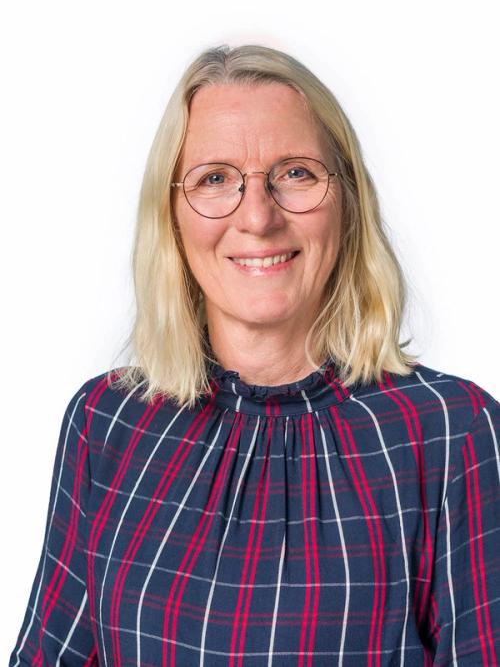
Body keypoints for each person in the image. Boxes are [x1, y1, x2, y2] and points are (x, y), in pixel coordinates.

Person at [10, 44, 500, 667]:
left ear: (347, 200)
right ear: (171, 218)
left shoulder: (451, 432)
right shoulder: (107, 423)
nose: (259, 217)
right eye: (215, 179)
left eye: (295, 172)